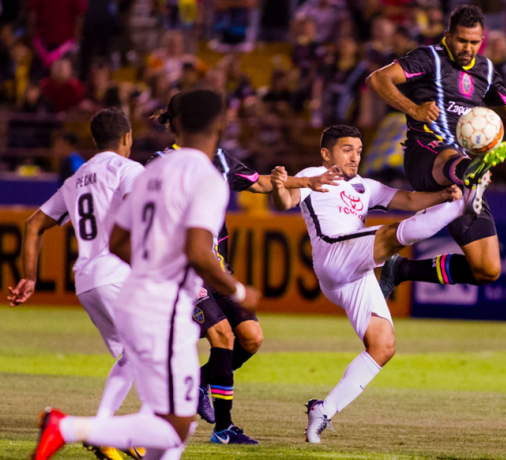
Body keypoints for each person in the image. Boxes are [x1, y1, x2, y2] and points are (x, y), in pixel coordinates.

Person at [29, 89, 260, 460]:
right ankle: (66, 426)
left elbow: (118, 240)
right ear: (222, 124)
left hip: (135, 299)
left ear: (177, 123)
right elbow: (201, 253)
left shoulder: (154, 169)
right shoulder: (206, 177)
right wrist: (238, 290)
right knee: (175, 426)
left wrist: (154, 267)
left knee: (170, 426)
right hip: (164, 309)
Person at [149, 92, 343, 445]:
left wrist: (307, 182)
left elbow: (262, 183)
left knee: (251, 337)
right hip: (186, 272)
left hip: (217, 270)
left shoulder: (220, 160)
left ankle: (199, 383)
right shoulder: (163, 163)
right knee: (221, 335)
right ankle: (223, 429)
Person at [366, 4, 506, 297]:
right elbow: (377, 79)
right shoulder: (428, 59)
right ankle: (471, 173)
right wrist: (414, 108)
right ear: (448, 36)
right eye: (462, 40)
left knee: (487, 269)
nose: (468, 48)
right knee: (453, 159)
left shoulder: (485, 70)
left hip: (462, 180)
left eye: (475, 42)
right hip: (426, 154)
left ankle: (401, 269)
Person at [270, 125, 471, 443]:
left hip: (353, 276)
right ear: (326, 154)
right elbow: (286, 200)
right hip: (333, 253)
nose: (355, 156)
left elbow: (408, 199)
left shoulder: (366, 186)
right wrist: (280, 188)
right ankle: (465, 205)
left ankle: (323, 411)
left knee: (383, 346)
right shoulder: (313, 175)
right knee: (390, 235)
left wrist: (444, 194)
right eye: (346, 149)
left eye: (359, 150)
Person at [8, 108, 145, 460]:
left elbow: (33, 224)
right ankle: (116, 430)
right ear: (127, 137)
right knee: (160, 347)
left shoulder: (77, 177)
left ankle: (118, 431)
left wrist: (28, 276)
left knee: (135, 354)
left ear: (95, 140)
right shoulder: (129, 169)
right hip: (118, 273)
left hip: (86, 281)